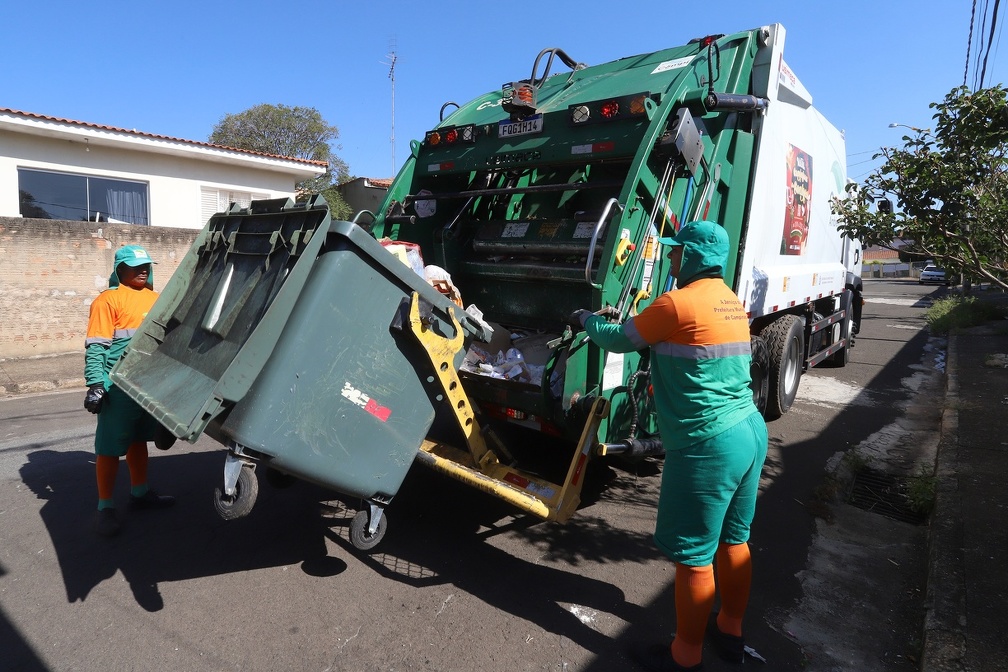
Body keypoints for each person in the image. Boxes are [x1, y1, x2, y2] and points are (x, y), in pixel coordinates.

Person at [570, 220, 768, 671]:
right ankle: (731, 631)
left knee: (695, 559)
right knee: (735, 542)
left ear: (694, 257)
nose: (671, 258)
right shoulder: (729, 302)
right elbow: (693, 349)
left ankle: (685, 656)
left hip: (709, 443)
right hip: (750, 430)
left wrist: (585, 319)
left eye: (677, 252)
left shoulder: (676, 302)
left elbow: (618, 338)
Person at [84, 245, 176, 537]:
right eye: (136, 266)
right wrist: (95, 384)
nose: (143, 270)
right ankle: (105, 507)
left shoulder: (157, 299)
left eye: (146, 265)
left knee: (139, 440)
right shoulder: (108, 300)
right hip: (119, 385)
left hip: (147, 383)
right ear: (119, 270)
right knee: (110, 447)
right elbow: (97, 345)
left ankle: (139, 493)